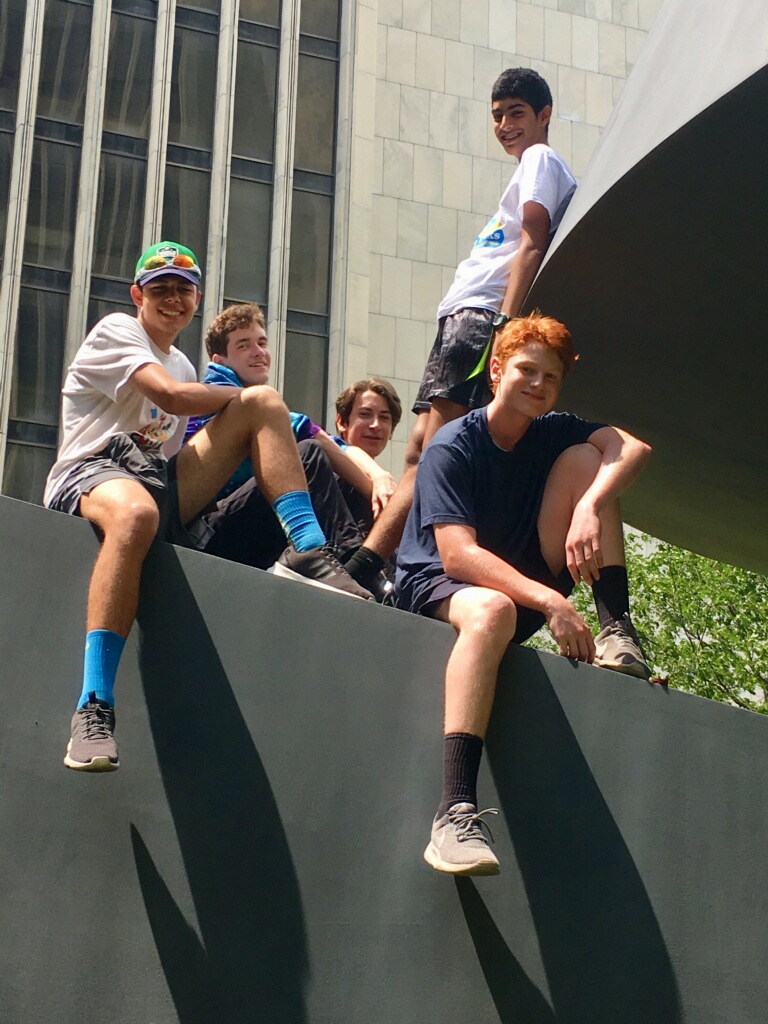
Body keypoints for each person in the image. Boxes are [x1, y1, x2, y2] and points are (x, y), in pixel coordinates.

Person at [44, 241, 370, 774]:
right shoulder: (118, 331)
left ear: (196, 299)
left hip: (152, 480)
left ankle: (309, 551)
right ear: (138, 296)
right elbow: (171, 398)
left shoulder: (181, 361)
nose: (173, 299)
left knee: (263, 401)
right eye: (161, 289)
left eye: (184, 289)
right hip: (92, 472)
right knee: (138, 513)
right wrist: (247, 402)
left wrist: (261, 409)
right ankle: (93, 706)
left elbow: (172, 449)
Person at [395, 313, 652, 876]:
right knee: (493, 608)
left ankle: (617, 629)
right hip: (440, 584)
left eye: (550, 377)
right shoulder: (453, 446)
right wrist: (553, 601)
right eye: (526, 370)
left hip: (521, 581)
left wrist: (589, 505)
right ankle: (453, 814)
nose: (538, 384)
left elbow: (632, 448)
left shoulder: (552, 431)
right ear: (496, 371)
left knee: (595, 464)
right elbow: (457, 556)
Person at [345, 67, 576, 591]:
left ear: (544, 115)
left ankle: (372, 567)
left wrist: (505, 328)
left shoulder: (541, 160)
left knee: (435, 452)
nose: (504, 125)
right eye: (497, 116)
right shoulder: (529, 167)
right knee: (418, 449)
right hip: (460, 322)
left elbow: (533, 239)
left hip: (480, 321)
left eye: (516, 113)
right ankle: (381, 563)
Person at [185, 304, 395, 572]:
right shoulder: (212, 395)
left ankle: (370, 568)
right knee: (310, 454)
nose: (258, 352)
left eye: (262, 343)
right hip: (210, 533)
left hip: (252, 528)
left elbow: (338, 447)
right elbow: (314, 436)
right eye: (244, 345)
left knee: (343, 475)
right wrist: (379, 494)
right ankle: (351, 564)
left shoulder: (257, 401)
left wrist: (379, 478)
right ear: (220, 360)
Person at [333, 377, 402, 535]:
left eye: (384, 418)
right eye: (365, 414)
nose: (375, 425)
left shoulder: (387, 488)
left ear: (392, 430)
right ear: (342, 423)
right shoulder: (324, 469)